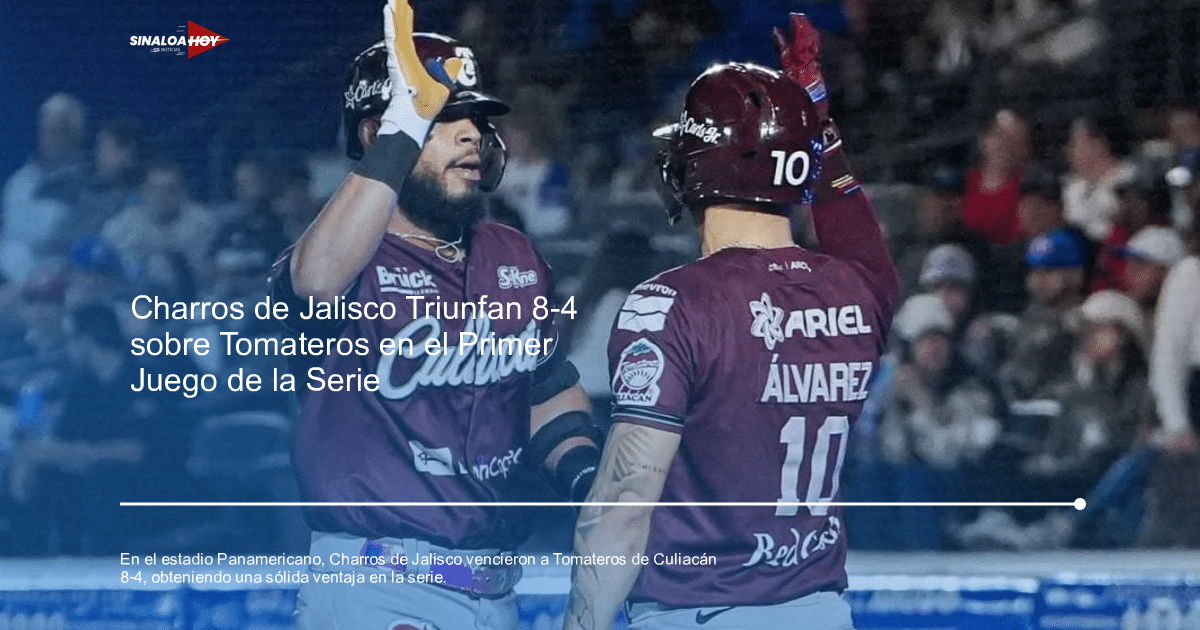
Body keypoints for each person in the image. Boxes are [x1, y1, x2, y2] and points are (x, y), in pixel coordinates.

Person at [563, 14, 898, 629]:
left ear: (700, 166)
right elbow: (861, 241)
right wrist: (815, 119)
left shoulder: (671, 304)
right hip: (820, 612)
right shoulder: (859, 291)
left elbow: (625, 505)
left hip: (701, 610)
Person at [273, 3, 600, 628]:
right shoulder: (344, 257)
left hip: (495, 587)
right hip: (378, 586)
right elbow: (313, 285)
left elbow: (546, 384)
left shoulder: (514, 252)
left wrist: (586, 474)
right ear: (378, 134)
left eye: (475, 117)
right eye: (445, 116)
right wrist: (405, 126)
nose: (472, 133)